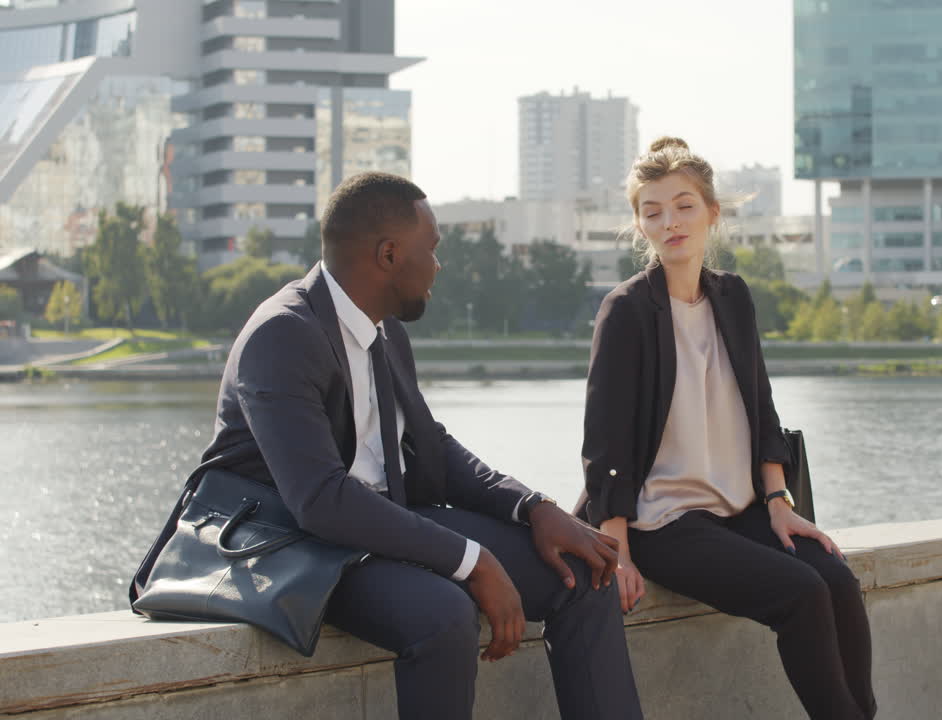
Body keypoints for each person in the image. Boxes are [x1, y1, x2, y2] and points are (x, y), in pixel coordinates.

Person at [177, 172, 644, 720]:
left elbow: (431, 448)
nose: (438, 266)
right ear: (390, 254)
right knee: (443, 615)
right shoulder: (281, 336)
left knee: (583, 574)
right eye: (434, 249)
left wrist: (532, 506)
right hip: (297, 544)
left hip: (383, 521)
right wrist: (474, 562)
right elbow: (321, 500)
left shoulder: (385, 329)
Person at [579, 138, 876, 719]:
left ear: (712, 212)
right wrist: (618, 552)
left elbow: (760, 406)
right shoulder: (627, 311)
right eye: (653, 210)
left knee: (838, 580)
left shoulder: (733, 297)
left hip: (739, 513)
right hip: (663, 521)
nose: (670, 223)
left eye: (685, 205)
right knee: (802, 593)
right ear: (640, 224)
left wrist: (778, 500)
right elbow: (604, 441)